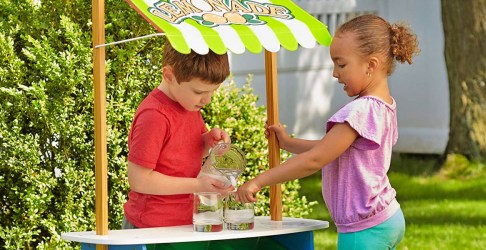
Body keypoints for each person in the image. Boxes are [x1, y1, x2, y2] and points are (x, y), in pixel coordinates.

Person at [235, 14, 419, 249]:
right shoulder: (384, 106)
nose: (334, 73)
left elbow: (315, 160)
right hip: (386, 217)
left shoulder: (359, 111)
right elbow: (330, 149)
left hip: (364, 227)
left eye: (341, 64)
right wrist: (288, 142)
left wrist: (259, 181)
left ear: (371, 65)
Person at [122, 41, 234, 229]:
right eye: (199, 92)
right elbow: (139, 180)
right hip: (150, 227)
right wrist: (199, 185)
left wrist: (208, 142)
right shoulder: (154, 116)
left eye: (213, 91)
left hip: (184, 222)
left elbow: (182, 154)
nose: (207, 100)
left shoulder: (188, 104)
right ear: (169, 76)